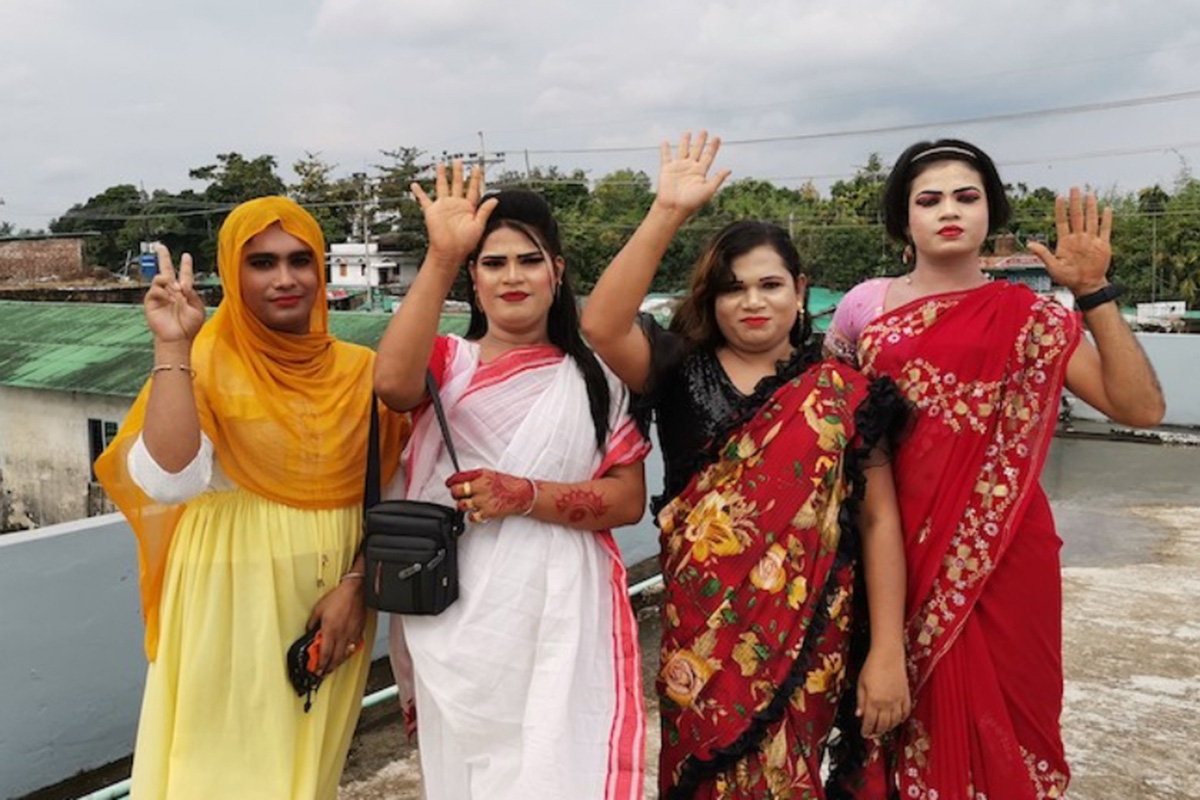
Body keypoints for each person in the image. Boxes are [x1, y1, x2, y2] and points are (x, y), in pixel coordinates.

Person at [824, 138, 1166, 799]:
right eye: (929, 199)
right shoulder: (863, 310)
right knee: (883, 730)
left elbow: (1140, 407)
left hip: (1007, 563)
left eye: (966, 196)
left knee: (1012, 735)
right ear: (903, 220)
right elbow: (836, 441)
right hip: (887, 558)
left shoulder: (1033, 318)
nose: (948, 210)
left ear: (991, 213)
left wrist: (1093, 293)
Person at [581, 131, 911, 800]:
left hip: (810, 640)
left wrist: (886, 651)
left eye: (769, 284)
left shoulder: (845, 391)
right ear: (712, 297)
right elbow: (602, 324)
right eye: (733, 288)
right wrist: (667, 212)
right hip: (703, 644)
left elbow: (878, 523)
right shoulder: (678, 369)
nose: (752, 301)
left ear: (802, 290)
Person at [95, 197, 409, 799]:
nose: (286, 279)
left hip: (334, 604)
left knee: (305, 771)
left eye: (300, 260)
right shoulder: (205, 361)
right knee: (221, 773)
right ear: (234, 276)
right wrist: (172, 349)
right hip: (230, 600)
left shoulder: (363, 371)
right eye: (262, 263)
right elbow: (169, 481)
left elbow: (391, 492)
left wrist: (356, 586)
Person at [374, 163, 650, 799]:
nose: (513, 277)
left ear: (556, 271)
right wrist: (443, 253)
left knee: (558, 770)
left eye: (529, 261)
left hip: (560, 612)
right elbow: (391, 385)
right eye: (493, 264)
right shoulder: (448, 361)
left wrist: (524, 495)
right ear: (473, 279)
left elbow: (628, 500)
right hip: (457, 612)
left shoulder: (595, 379)